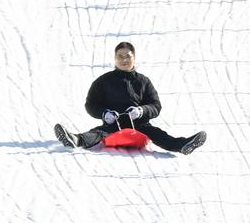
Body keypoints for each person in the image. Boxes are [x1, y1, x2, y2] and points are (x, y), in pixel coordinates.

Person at [56, 42, 206, 153]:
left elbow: (155, 105)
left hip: (140, 125)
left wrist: (141, 111)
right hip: (113, 125)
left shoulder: (143, 81)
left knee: (158, 134)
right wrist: (104, 113)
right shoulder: (103, 81)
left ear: (134, 58)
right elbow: (91, 104)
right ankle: (76, 140)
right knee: (97, 133)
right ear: (115, 59)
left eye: (127, 56)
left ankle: (182, 145)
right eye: (120, 56)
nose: (124, 60)